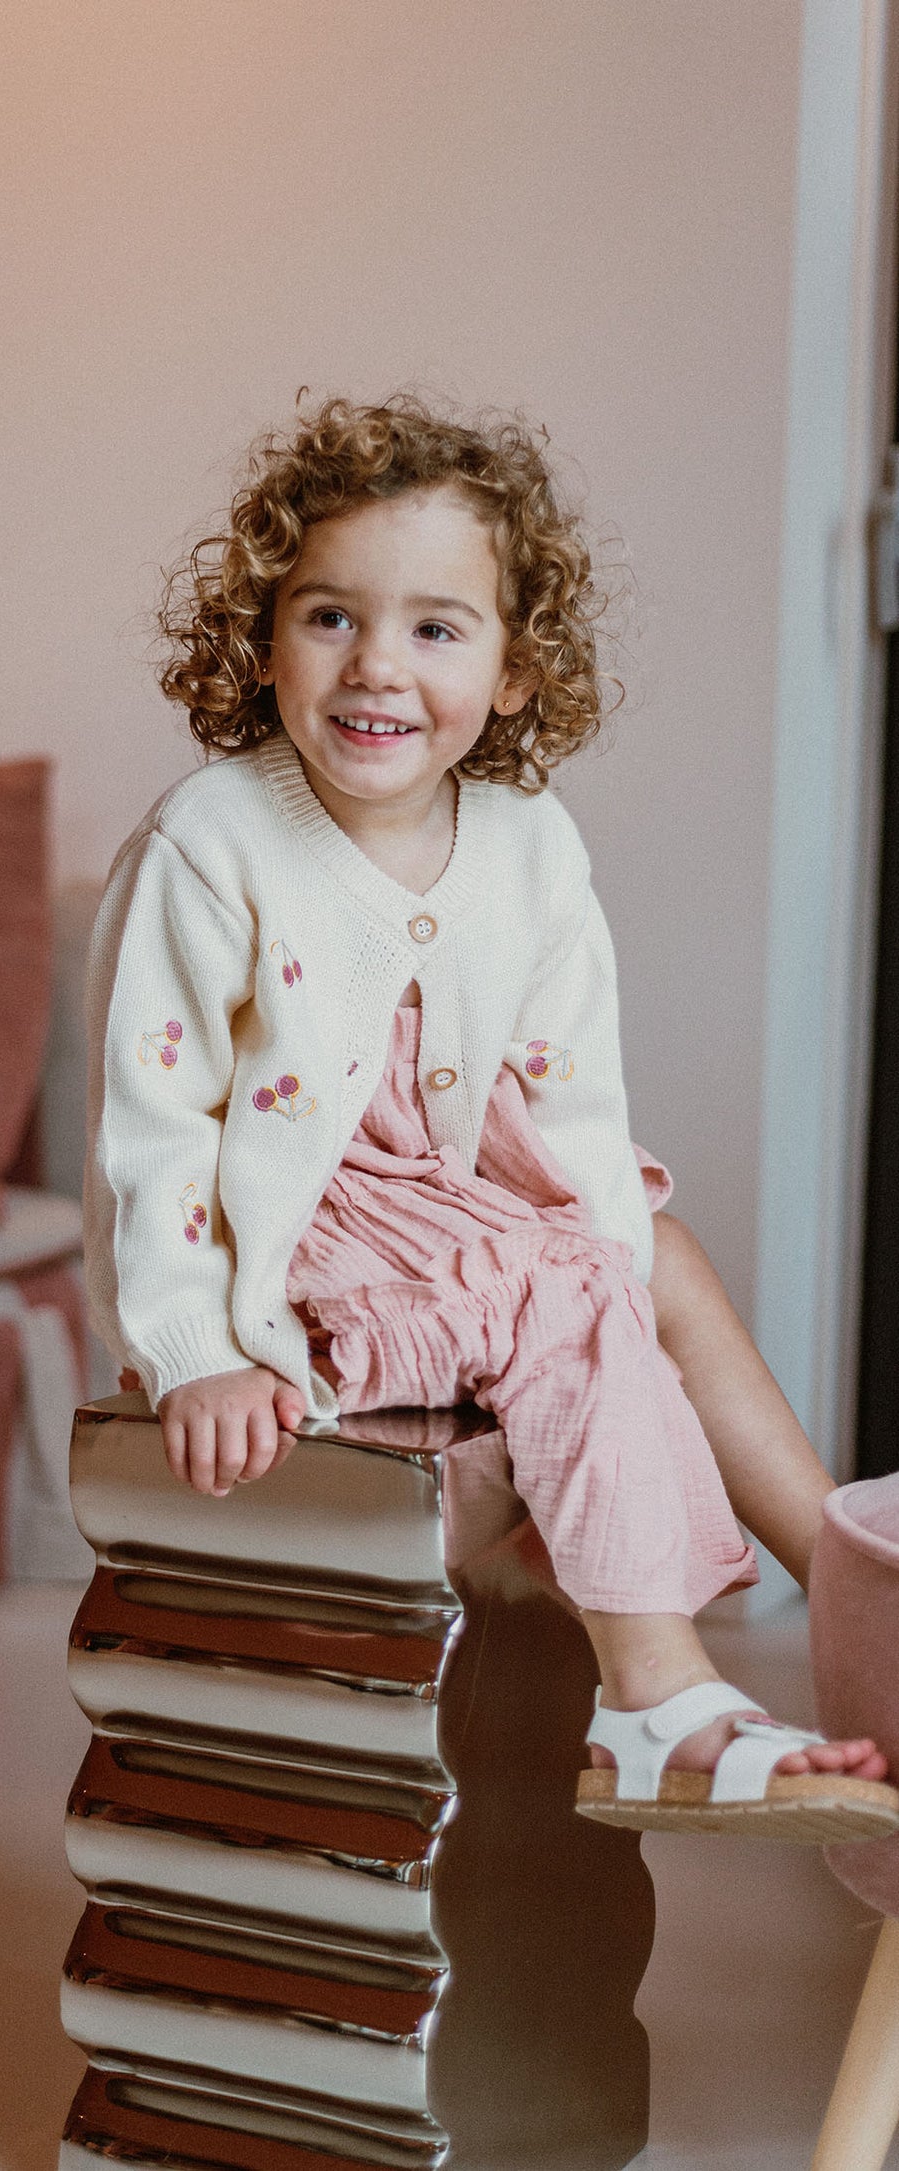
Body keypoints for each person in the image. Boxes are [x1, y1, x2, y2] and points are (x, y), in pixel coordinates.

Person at [85, 394, 899, 1843]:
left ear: (514, 671)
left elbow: (571, 1100)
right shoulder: (212, 841)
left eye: (436, 629)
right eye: (329, 617)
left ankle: (851, 1588)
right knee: (563, 1281)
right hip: (302, 1238)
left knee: (646, 1255)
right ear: (262, 639)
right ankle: (656, 1700)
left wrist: (615, 1281)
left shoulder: (530, 847)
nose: (375, 665)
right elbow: (153, 1126)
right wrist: (192, 1350)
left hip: (448, 1217)